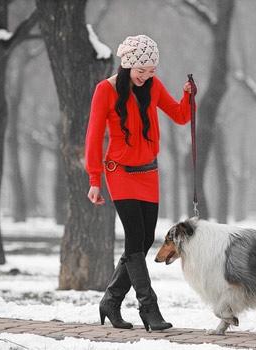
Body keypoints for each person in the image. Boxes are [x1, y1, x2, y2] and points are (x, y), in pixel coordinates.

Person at [84, 34, 195, 332]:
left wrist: (188, 95)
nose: (146, 76)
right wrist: (94, 179)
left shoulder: (154, 87)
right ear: (127, 65)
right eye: (141, 70)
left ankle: (111, 299)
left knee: (144, 241)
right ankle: (149, 308)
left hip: (148, 173)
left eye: (151, 70)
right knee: (135, 239)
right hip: (119, 172)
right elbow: (93, 137)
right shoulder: (105, 91)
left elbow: (181, 116)